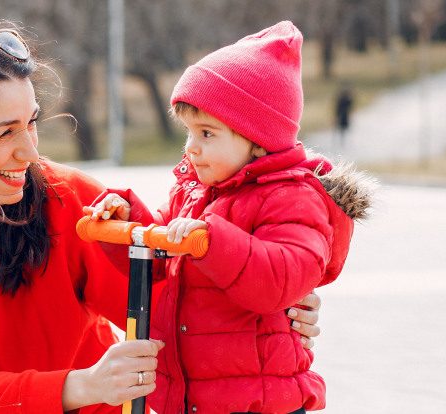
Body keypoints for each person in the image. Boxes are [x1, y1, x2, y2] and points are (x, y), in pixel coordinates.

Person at [0, 20, 323, 413]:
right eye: (5, 133)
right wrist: (82, 385)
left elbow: (170, 299)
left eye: (32, 124)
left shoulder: (72, 201)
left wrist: (266, 306)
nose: (29, 151)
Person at [88, 21, 373, 414]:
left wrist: (213, 241)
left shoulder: (290, 197)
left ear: (258, 140)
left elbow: (284, 278)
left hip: (257, 400)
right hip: (195, 395)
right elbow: (161, 256)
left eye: (207, 134)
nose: (191, 148)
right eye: (188, 132)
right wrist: (130, 217)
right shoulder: (196, 191)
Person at [334, 82, 354, 148]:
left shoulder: (346, 98)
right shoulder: (342, 98)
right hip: (342, 114)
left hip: (344, 114)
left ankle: (343, 140)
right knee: (342, 128)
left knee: (344, 128)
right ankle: (342, 140)